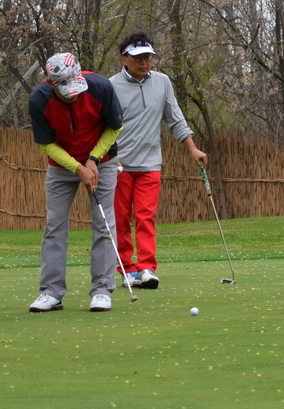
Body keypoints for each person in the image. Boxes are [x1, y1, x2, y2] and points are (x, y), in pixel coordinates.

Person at [110, 32, 207, 290]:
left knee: (145, 217)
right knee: (120, 219)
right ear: (125, 59)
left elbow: (175, 118)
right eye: (138, 58)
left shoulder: (162, 82)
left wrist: (193, 149)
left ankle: (146, 268)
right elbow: (103, 126)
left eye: (148, 58)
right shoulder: (110, 86)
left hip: (150, 164)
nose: (144, 63)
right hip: (119, 165)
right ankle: (127, 269)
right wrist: (111, 158)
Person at [27, 52, 123, 312]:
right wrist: (78, 167)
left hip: (101, 160)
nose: (73, 93)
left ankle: (102, 290)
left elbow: (114, 128)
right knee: (54, 227)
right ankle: (51, 292)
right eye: (65, 88)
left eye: (75, 85)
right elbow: (47, 144)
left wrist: (93, 159)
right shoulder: (39, 99)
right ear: (51, 82)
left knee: (104, 224)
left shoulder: (101, 87)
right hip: (62, 165)